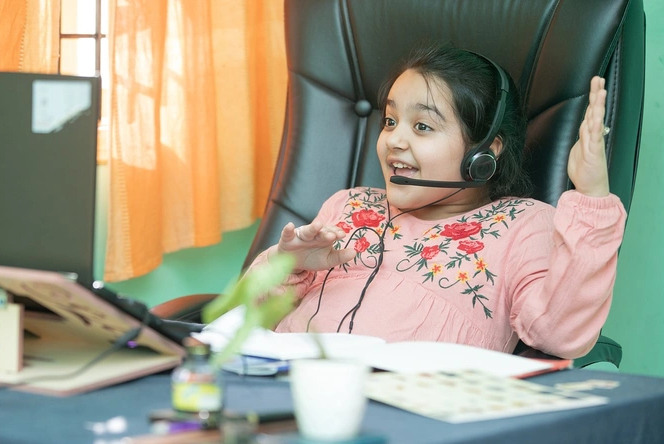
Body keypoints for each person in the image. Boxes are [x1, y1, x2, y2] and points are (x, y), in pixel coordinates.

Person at [246, 43, 626, 360]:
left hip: (405, 409)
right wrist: (286, 266)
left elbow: (560, 334)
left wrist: (591, 196)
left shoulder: (523, 223)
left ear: (484, 152)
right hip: (284, 386)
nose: (394, 140)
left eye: (422, 126)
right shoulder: (349, 204)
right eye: (390, 121)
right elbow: (248, 316)